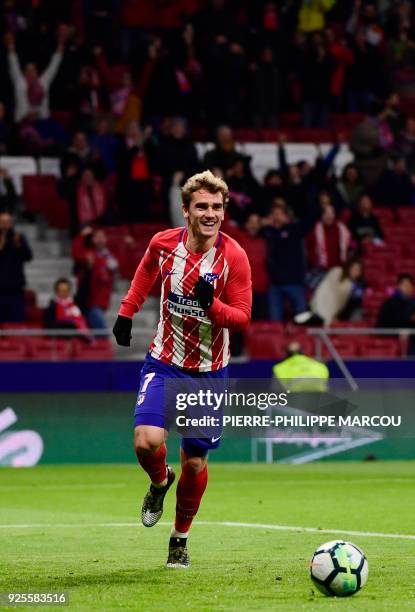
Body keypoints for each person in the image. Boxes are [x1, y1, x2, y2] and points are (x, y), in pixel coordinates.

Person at [112, 170, 251, 568]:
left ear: (224, 212)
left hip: (209, 371)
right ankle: (159, 481)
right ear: (186, 210)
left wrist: (213, 306)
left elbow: (241, 318)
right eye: (202, 206)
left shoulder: (234, 257)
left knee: (195, 461)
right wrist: (127, 311)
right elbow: (144, 273)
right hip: (165, 361)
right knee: (146, 441)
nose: (210, 213)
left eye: (217, 207)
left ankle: (180, 539)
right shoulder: (163, 244)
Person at [5, 28, 66, 123]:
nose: (30, 72)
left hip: (43, 122)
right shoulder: (20, 81)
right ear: (24, 72)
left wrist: (61, 43)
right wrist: (10, 44)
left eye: (33, 70)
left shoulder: (43, 81)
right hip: (23, 123)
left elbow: (55, 63)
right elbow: (13, 61)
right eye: (28, 70)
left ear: (37, 72)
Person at [72, 228, 118, 330]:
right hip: (89, 302)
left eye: (102, 237)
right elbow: (76, 253)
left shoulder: (109, 258)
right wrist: (82, 236)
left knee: (97, 334)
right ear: (92, 239)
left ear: (106, 239)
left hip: (101, 302)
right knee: (101, 334)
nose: (100, 240)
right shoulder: (89, 253)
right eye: (97, 237)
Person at [0, 212, 33, 322]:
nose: (5, 225)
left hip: (16, 288)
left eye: (7, 222)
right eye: (2, 222)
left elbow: (28, 257)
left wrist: (19, 245)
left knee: (16, 323)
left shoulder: (18, 237)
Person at [310, 259, 365, 325]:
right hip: (319, 309)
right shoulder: (337, 272)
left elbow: (340, 304)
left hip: (329, 314)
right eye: (355, 269)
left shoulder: (350, 284)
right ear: (348, 268)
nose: (357, 273)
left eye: (359, 270)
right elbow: (330, 295)